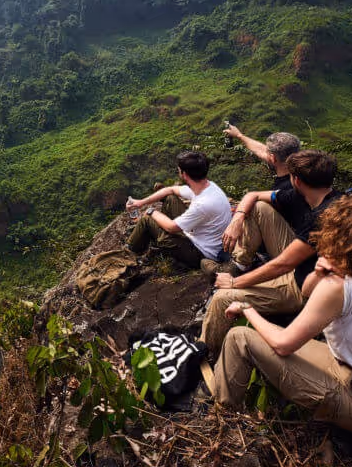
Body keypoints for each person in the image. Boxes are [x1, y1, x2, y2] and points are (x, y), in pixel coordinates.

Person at [211, 189, 352, 438]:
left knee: (239, 337)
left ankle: (220, 423)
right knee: (269, 336)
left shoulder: (337, 287)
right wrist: (319, 272)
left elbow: (283, 344)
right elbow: (306, 292)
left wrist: (247, 308)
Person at [200, 150, 341, 354]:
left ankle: (203, 352)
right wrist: (238, 218)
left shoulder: (323, 219)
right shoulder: (313, 197)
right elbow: (254, 195)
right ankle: (239, 265)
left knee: (223, 298)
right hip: (305, 263)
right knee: (259, 207)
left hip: (306, 286)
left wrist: (234, 283)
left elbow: (283, 264)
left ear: (296, 180)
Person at [205, 125, 304, 274]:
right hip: (302, 242)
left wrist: (238, 218)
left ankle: (239, 266)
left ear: (273, 158)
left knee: (256, 207)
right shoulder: (303, 171)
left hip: (293, 254)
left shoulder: (289, 189)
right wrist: (239, 135)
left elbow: (253, 196)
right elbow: (261, 150)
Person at [126, 151, 231, 269]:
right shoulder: (208, 186)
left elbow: (171, 227)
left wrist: (151, 211)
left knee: (147, 220)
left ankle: (127, 254)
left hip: (201, 253)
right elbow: (170, 190)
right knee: (170, 198)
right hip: (201, 237)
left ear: (184, 174)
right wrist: (141, 202)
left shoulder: (203, 204)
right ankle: (149, 241)